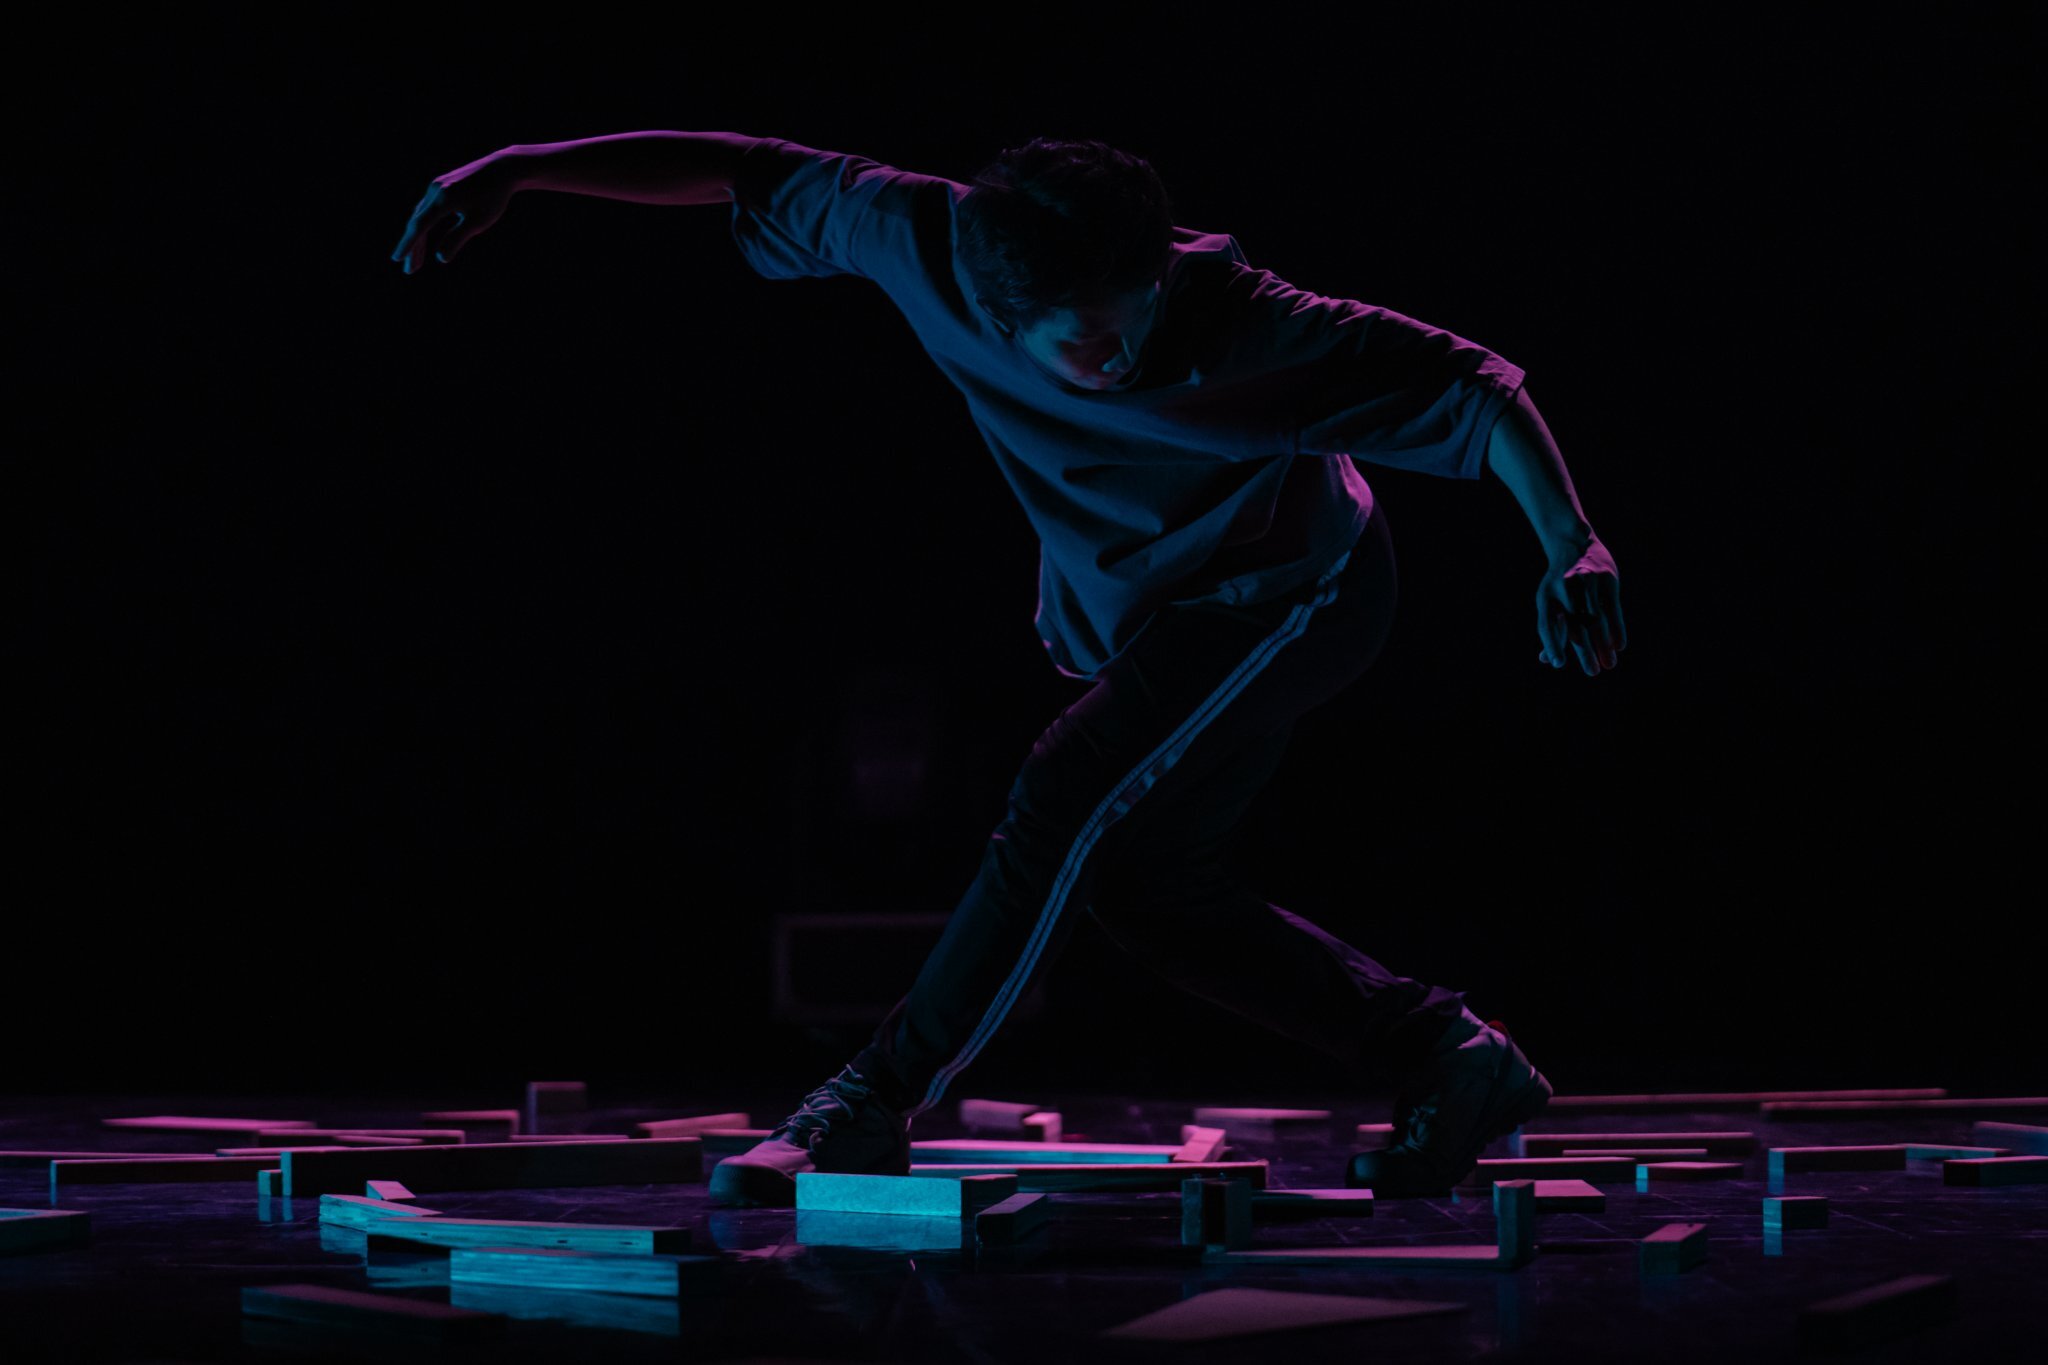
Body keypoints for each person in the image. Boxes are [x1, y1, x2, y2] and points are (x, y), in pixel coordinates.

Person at [391, 130, 1626, 1207]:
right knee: (1143, 886)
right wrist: (525, 169)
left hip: (1295, 591)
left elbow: (1471, 386)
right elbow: (735, 167)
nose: (1120, 357)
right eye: (1085, 346)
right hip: (1157, 612)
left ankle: (866, 1100)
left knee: (1064, 790)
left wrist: (1569, 541)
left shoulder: (1246, 319)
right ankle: (1447, 1057)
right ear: (995, 315)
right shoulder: (918, 240)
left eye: (1132, 318)